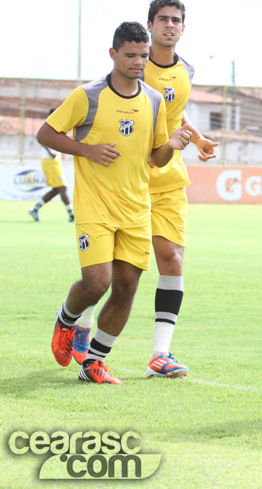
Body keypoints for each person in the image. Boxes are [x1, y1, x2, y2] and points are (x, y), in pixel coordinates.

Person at [71, 0, 218, 378]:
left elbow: (172, 114)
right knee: (111, 272)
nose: (170, 25)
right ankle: (83, 322)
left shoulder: (186, 70)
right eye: (162, 19)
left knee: (172, 259)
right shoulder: (134, 63)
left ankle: (160, 354)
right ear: (150, 26)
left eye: (176, 20)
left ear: (183, 27)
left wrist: (197, 138)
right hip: (130, 178)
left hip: (169, 176)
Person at [43, 21, 191, 384]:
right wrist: (86, 150)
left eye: (143, 56)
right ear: (113, 54)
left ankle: (94, 362)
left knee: (126, 287)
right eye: (130, 55)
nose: (138, 62)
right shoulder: (88, 96)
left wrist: (171, 146)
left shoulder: (153, 100)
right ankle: (66, 318)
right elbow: (46, 133)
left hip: (136, 209)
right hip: (95, 207)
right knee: (97, 283)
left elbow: (155, 158)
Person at [28, 110, 74, 223]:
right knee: (62, 187)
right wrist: (55, 150)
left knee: (57, 189)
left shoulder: (57, 127)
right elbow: (47, 146)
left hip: (54, 162)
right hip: (50, 161)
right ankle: (71, 214)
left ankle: (35, 209)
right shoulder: (48, 128)